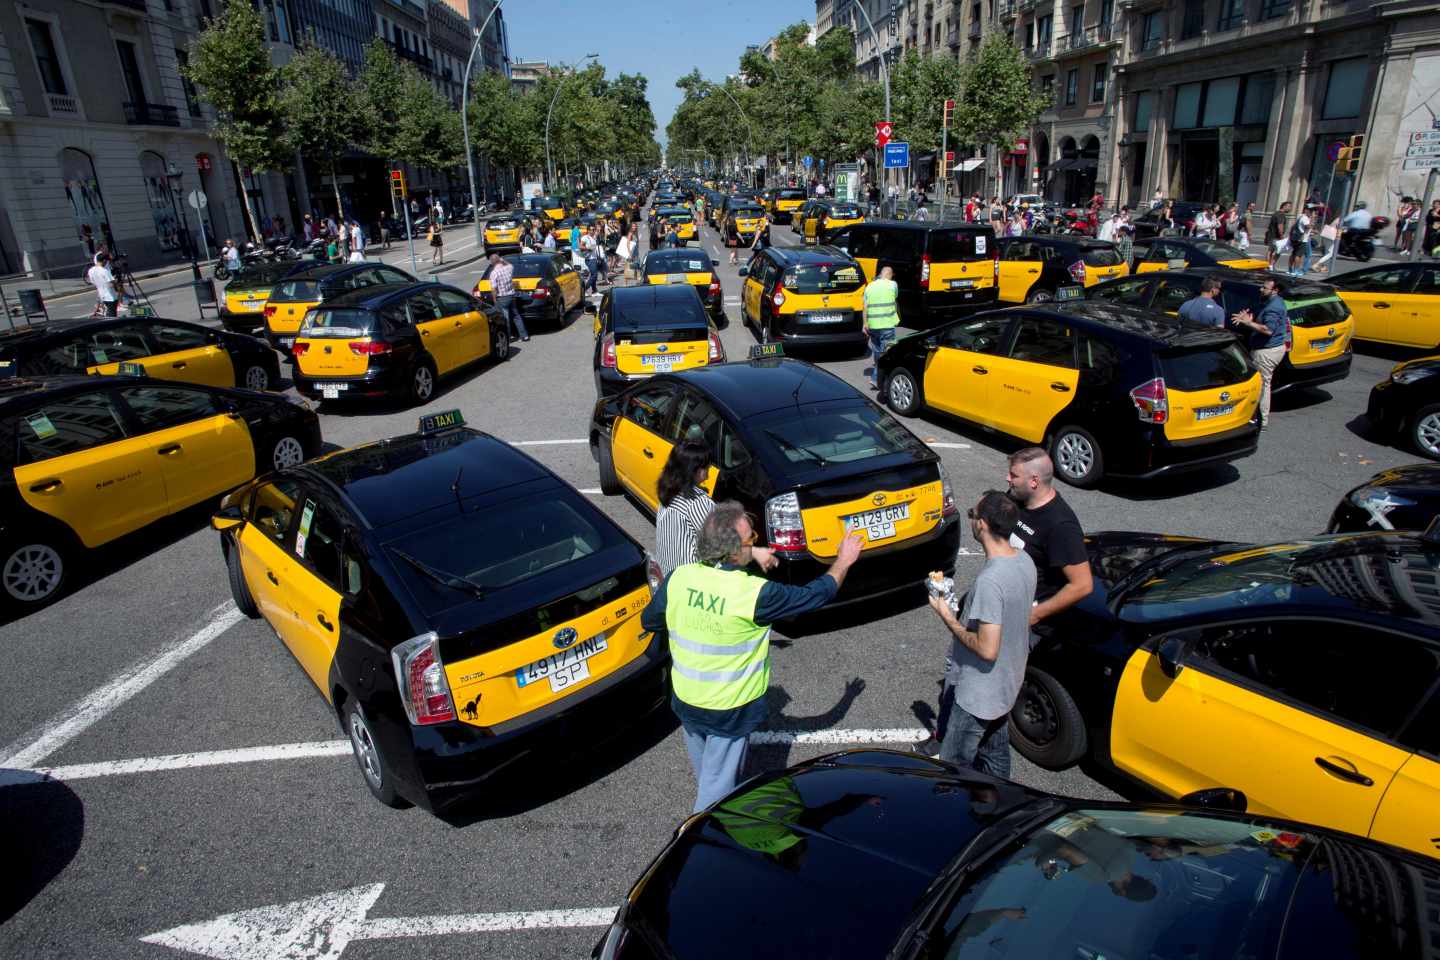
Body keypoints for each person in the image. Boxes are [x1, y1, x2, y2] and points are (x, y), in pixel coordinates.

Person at [640, 502, 865, 812]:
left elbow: (650, 621)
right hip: (728, 710)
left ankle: (727, 819)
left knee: (709, 775)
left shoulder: (680, 578)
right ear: (734, 551)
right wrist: (843, 560)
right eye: (751, 539)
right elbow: (816, 594)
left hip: (686, 701)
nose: (754, 542)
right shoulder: (755, 593)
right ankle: (699, 843)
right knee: (713, 797)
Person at [926, 491, 1036, 776]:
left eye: (973, 514)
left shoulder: (991, 581)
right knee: (995, 754)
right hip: (1006, 682)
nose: (972, 519)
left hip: (979, 694)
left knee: (953, 767)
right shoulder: (1025, 561)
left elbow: (988, 648)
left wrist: (947, 617)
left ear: (983, 525)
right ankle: (1003, 803)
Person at [1229, 276, 1288, 428]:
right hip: (1272, 348)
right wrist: (1251, 318)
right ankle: (1260, 417)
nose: (1261, 289)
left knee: (1262, 384)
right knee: (1263, 383)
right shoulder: (1274, 302)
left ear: (1275, 290)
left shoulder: (1273, 307)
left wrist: (1248, 323)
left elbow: (1268, 330)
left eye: (1265, 288)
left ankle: (1261, 420)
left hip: (1267, 351)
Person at [655, 441, 717, 575]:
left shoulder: (668, 491)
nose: (710, 467)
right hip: (690, 580)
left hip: (667, 573)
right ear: (694, 469)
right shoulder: (697, 502)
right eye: (706, 465)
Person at [863, 265, 900, 390]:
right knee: (888, 354)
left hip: (873, 326)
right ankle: (879, 380)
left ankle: (876, 378)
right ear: (889, 275)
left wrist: (865, 324)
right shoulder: (893, 284)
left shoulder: (869, 286)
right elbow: (895, 297)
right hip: (887, 325)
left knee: (878, 353)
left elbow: (865, 307)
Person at [486, 252, 529, 343]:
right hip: (511, 295)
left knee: (505, 319)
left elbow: (494, 288)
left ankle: (507, 338)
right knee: (516, 316)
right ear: (499, 260)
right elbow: (510, 265)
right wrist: (503, 260)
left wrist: (494, 300)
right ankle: (524, 336)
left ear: (492, 263)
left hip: (501, 298)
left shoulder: (494, 273)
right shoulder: (508, 268)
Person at [88, 252, 119, 317]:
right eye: (106, 261)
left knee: (108, 312)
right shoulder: (104, 271)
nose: (106, 263)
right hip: (111, 296)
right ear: (104, 260)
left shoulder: (91, 270)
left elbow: (93, 281)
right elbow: (111, 284)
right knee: (112, 314)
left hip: (102, 295)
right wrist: (116, 282)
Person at [1287, 204, 1313, 275]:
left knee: (1293, 254)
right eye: (1311, 211)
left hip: (1295, 238)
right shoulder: (1305, 218)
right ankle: (1296, 270)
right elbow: (1307, 226)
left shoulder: (1300, 215)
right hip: (1302, 239)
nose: (1311, 212)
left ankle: (1290, 269)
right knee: (1298, 255)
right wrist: (1311, 223)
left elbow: (1294, 225)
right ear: (1306, 210)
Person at [1266, 201, 1291, 269]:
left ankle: (1268, 265)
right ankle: (1271, 265)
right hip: (1276, 237)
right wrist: (1281, 237)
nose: (1290, 208)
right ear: (1284, 206)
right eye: (1289, 207)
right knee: (1277, 252)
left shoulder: (1276, 213)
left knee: (1270, 251)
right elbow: (1280, 226)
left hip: (1271, 235)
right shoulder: (1281, 215)